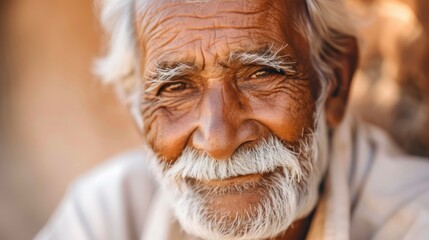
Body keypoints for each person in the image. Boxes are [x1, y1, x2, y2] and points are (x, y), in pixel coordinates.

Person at [35, 0, 429, 239]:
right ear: (138, 114)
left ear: (336, 84)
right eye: (176, 88)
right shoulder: (110, 214)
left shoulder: (415, 221)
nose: (219, 139)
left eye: (260, 75)